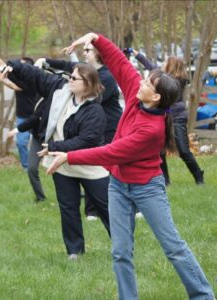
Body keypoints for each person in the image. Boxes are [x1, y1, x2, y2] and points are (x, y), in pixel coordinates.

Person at [46, 33, 215, 299]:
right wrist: (96, 39)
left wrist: (69, 156)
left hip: (147, 188)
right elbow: (120, 63)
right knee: (120, 251)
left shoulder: (151, 130)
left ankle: (203, 295)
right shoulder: (138, 98)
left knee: (172, 246)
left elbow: (113, 152)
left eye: (147, 82)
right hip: (118, 186)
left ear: (156, 97)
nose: (141, 80)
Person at [0, 58, 111, 259]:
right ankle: (75, 251)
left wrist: (54, 147)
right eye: (70, 76)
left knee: (106, 207)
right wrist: (12, 66)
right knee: (68, 207)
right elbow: (36, 75)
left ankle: (122, 244)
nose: (69, 80)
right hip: (62, 165)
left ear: (88, 85)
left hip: (89, 166)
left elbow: (85, 140)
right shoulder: (59, 90)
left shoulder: (95, 111)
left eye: (75, 78)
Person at [35, 44, 122, 219]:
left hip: (108, 131)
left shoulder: (106, 78)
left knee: (102, 173)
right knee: (74, 189)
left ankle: (126, 209)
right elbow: (70, 68)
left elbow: (87, 134)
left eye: (88, 50)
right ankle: (91, 211)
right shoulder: (85, 73)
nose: (85, 52)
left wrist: (55, 145)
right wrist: (46, 61)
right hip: (84, 132)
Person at [0, 52, 45, 202]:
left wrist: (0, 79)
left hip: (37, 120)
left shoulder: (32, 81)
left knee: (43, 145)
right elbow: (3, 66)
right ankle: (27, 167)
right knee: (21, 143)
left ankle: (42, 165)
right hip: (22, 117)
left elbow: (14, 86)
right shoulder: (18, 76)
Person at [130, 48, 204, 185]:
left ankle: (199, 176)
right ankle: (165, 180)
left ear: (172, 65)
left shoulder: (178, 80)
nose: (163, 64)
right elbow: (150, 65)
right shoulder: (165, 77)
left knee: (183, 150)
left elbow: (154, 69)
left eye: (165, 62)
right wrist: (136, 54)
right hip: (164, 117)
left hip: (177, 118)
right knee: (160, 150)